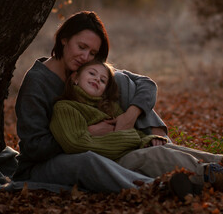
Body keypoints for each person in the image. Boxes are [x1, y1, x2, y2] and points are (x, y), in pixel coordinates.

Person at [49, 60, 223, 200]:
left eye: (103, 79)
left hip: (127, 153)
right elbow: (76, 143)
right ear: (75, 78)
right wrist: (125, 137)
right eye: (91, 74)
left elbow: (133, 135)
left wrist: (146, 139)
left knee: (166, 147)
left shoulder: (110, 107)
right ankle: (213, 174)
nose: (97, 79)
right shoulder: (65, 107)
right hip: (110, 164)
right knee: (157, 154)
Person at [14, 11, 169, 193]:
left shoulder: (87, 72)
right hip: (43, 165)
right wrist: (87, 133)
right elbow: (34, 147)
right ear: (64, 39)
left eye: (92, 53)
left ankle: (193, 161)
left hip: (98, 146)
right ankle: (156, 187)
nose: (85, 57)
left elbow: (146, 84)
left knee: (122, 81)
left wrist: (130, 115)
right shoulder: (37, 82)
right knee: (88, 160)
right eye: (81, 47)